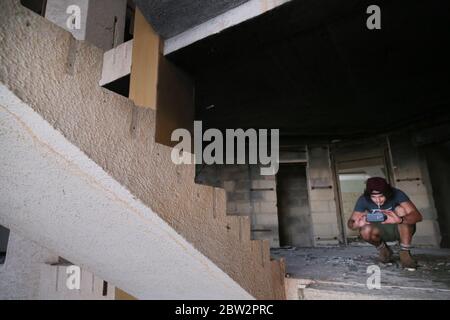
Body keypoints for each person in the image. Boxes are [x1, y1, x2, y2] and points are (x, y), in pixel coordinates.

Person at [347, 177, 423, 269]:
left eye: (381, 196)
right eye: (374, 197)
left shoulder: (397, 194)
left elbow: (418, 217)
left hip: (400, 229)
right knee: (365, 230)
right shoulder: (363, 199)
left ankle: (405, 253)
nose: (378, 200)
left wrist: (400, 220)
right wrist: (357, 224)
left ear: (387, 193)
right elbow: (351, 223)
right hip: (380, 231)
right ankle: (384, 250)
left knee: (401, 209)